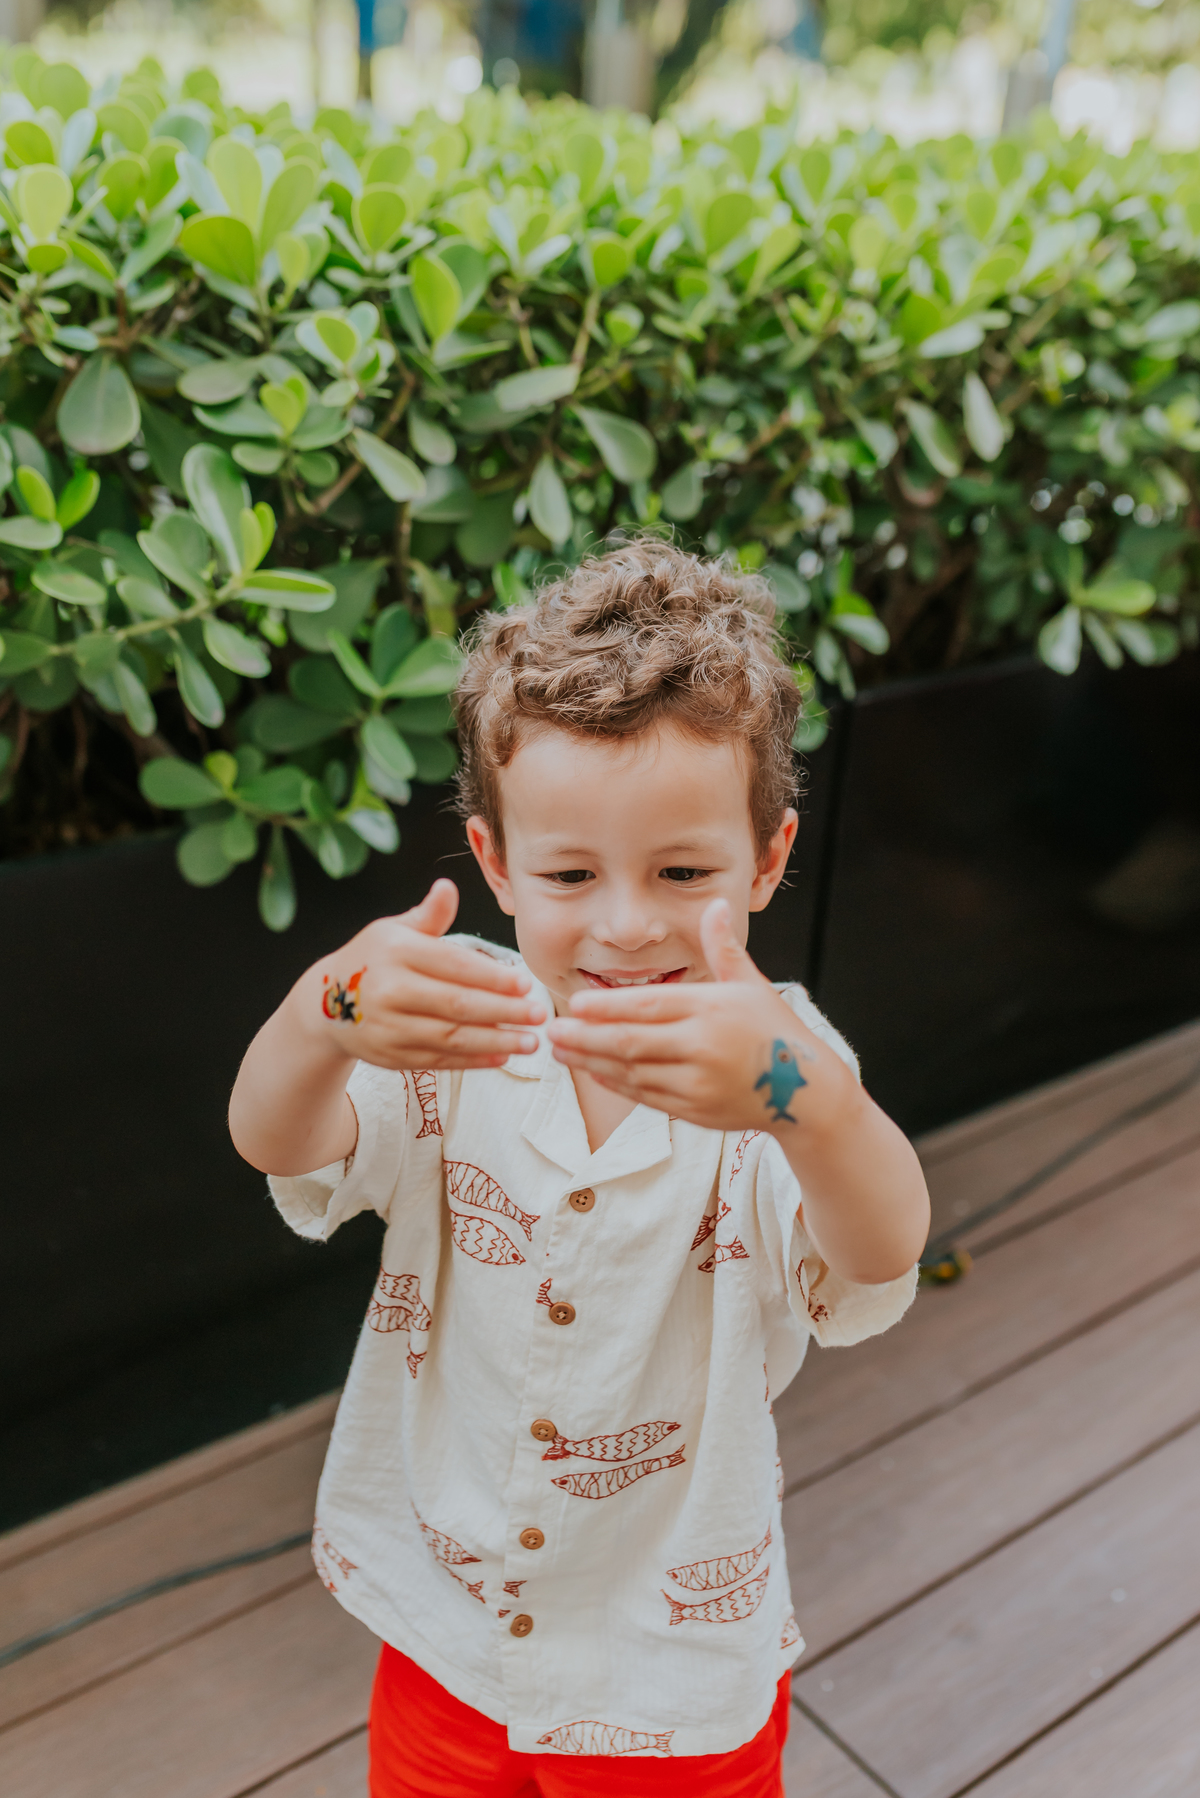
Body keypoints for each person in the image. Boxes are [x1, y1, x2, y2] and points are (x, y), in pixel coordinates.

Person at [229, 540, 931, 1797]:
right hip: (448, 1634)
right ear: (494, 864)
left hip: (665, 1666)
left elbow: (876, 1259)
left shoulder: (777, 1067)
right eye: (567, 875)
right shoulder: (454, 1026)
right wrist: (325, 1009)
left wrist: (804, 1105)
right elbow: (277, 1142)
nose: (625, 925)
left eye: (683, 872)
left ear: (765, 862)